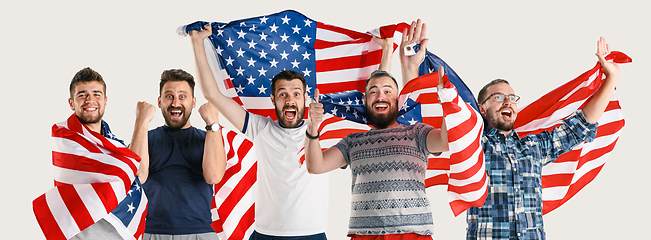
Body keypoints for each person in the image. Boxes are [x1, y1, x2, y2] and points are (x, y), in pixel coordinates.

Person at [189, 22, 394, 239]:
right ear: (273, 99)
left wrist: (387, 50)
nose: (290, 100)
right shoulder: (260, 128)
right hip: (266, 234)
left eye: (296, 94)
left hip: (312, 234)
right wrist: (197, 42)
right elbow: (213, 94)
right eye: (283, 94)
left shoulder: (322, 127)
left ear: (306, 98)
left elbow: (376, 107)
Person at [304, 20, 449, 240]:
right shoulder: (353, 142)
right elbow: (316, 166)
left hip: (412, 235)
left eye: (388, 91)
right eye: (373, 92)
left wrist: (447, 101)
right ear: (365, 101)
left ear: (398, 99)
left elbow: (446, 141)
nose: (380, 95)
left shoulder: (416, 133)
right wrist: (313, 129)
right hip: (364, 236)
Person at [466, 37, 620, 240]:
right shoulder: (471, 145)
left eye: (512, 98)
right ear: (482, 109)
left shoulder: (533, 146)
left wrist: (612, 77)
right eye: (498, 97)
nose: (508, 102)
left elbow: (580, 127)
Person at [129, 69, 227, 240]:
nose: (175, 102)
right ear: (159, 102)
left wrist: (213, 122)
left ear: (193, 102)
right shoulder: (146, 138)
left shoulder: (208, 138)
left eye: (182, 96)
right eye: (169, 96)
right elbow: (135, 175)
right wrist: (141, 121)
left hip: (200, 232)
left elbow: (214, 176)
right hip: (151, 232)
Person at [66, 67, 127, 239]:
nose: (90, 100)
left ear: (105, 101)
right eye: (82, 94)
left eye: (96, 94)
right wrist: (141, 122)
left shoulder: (116, 145)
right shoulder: (66, 141)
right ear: (71, 103)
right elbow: (120, 175)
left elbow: (137, 175)